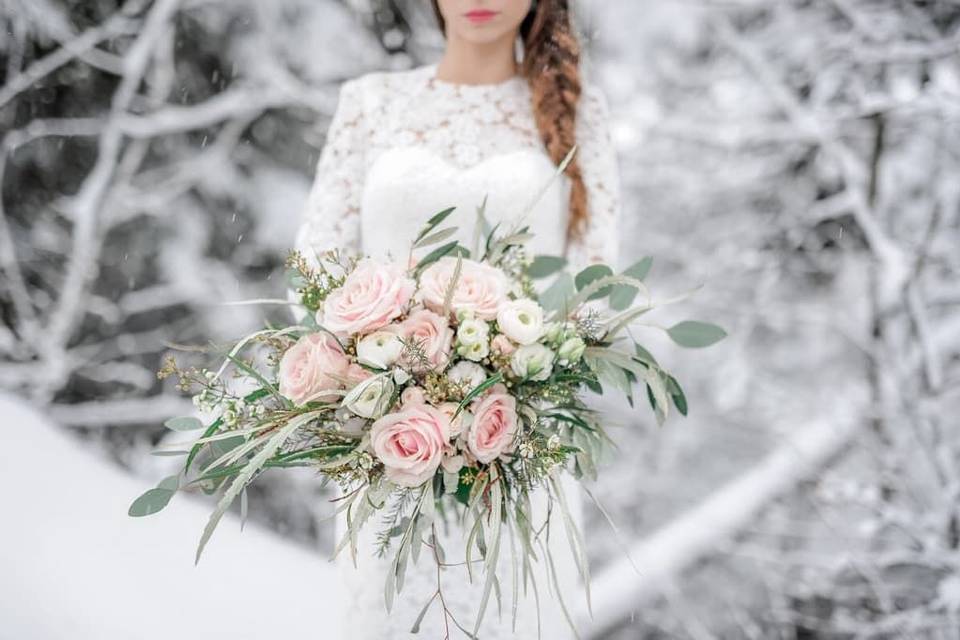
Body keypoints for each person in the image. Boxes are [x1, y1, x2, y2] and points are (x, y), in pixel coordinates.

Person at [294, 1, 622, 637]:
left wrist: (501, 376)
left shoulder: (583, 113)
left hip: (518, 457)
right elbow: (310, 274)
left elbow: (598, 292)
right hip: (390, 455)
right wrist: (393, 376)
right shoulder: (370, 103)